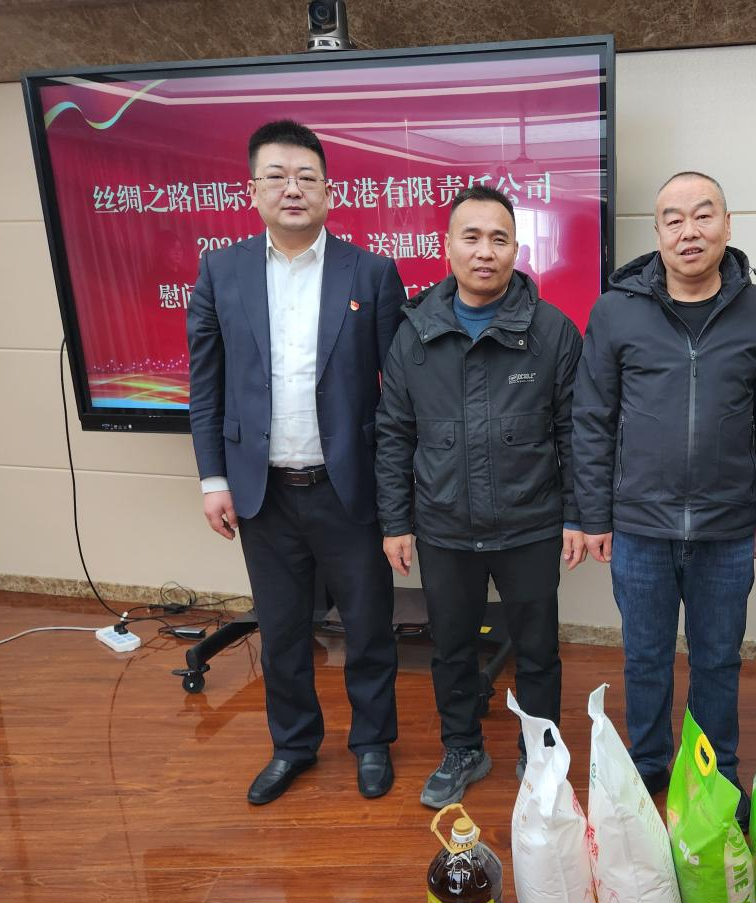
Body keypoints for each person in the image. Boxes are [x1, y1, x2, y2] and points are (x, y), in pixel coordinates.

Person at [187, 119, 405, 805]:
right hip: (264, 492)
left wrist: (397, 491)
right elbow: (206, 385)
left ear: (329, 192)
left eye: (307, 177)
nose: (292, 189)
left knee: (368, 626)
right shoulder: (221, 271)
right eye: (277, 176)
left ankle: (372, 742)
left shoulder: (371, 273)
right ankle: (293, 746)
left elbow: (398, 394)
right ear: (252, 191)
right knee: (282, 632)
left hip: (349, 487)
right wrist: (214, 478)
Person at [573, 171, 756, 799]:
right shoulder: (615, 310)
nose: (689, 231)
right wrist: (594, 515)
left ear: (727, 225)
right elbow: (593, 418)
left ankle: (715, 774)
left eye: (703, 215)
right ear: (657, 231)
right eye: (673, 219)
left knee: (718, 658)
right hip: (639, 525)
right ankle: (650, 764)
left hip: (726, 525)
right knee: (645, 659)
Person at [376, 184, 584, 809]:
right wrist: (395, 522)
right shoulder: (413, 335)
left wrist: (578, 515)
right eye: (471, 237)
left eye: (499, 239)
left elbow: (576, 433)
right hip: (444, 526)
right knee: (452, 647)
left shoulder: (552, 332)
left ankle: (540, 750)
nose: (485, 251)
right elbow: (394, 434)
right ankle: (463, 747)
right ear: (447, 247)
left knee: (538, 648)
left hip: (531, 524)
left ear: (517, 249)